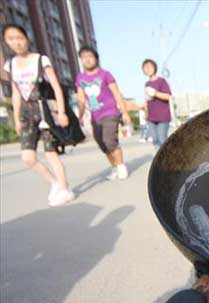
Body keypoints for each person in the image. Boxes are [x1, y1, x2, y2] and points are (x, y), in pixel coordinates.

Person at [2, 24, 74, 206]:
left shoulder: (41, 60)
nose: (16, 42)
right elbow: (16, 92)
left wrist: (62, 112)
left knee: (51, 154)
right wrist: (17, 118)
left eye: (19, 37)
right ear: (6, 42)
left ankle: (65, 189)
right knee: (28, 157)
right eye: (11, 39)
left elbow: (56, 87)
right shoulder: (10, 65)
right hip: (27, 115)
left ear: (27, 38)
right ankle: (55, 183)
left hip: (45, 113)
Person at [76, 46, 131, 180]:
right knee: (102, 143)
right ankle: (114, 167)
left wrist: (125, 113)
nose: (87, 60)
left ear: (96, 58)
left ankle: (121, 166)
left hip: (110, 112)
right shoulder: (80, 78)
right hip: (95, 116)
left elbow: (117, 94)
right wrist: (80, 116)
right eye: (84, 57)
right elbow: (81, 99)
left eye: (90, 56)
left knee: (109, 140)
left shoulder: (105, 74)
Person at [142, 59, 172, 151]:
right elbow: (147, 100)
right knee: (155, 140)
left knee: (162, 140)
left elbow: (168, 96)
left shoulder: (162, 81)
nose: (147, 69)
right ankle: (159, 161)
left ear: (154, 67)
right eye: (145, 68)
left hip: (163, 115)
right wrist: (145, 112)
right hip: (151, 117)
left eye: (149, 67)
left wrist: (155, 93)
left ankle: (168, 160)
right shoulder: (147, 84)